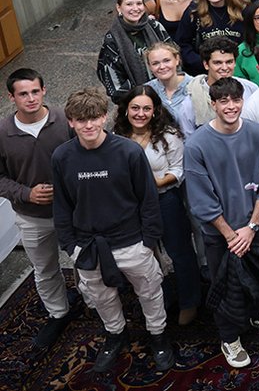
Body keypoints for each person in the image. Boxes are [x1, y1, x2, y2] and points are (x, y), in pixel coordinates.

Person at [53, 88, 174, 374]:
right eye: (81, 120)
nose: (89, 125)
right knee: (101, 297)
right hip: (88, 245)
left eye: (94, 117)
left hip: (133, 242)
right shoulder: (61, 157)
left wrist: (149, 242)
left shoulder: (129, 151)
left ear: (105, 117)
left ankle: (158, 335)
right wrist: (71, 246)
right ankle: (115, 334)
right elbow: (62, 205)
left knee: (150, 291)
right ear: (71, 122)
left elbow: (148, 199)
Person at [183, 78, 259, 368]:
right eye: (223, 101)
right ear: (213, 105)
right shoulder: (197, 145)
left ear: (243, 101)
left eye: (235, 100)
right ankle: (229, 338)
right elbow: (202, 202)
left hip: (254, 228)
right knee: (224, 286)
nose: (231, 106)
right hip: (220, 236)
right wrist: (232, 236)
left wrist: (251, 227)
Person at [114, 87, 202, 324]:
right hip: (130, 205)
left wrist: (157, 182)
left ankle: (189, 301)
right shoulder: (116, 135)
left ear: (155, 111)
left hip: (165, 200)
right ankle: (158, 298)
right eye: (135, 108)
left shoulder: (169, 135)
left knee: (179, 251)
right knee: (143, 253)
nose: (140, 113)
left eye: (146, 108)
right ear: (126, 110)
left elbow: (179, 168)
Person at [1, 69, 75, 349]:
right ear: (11, 97)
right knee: (44, 269)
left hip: (73, 213)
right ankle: (58, 313)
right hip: (31, 218)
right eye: (23, 94)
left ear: (44, 90)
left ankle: (96, 306)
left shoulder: (64, 120)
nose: (30, 98)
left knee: (87, 263)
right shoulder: (2, 133)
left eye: (35, 91)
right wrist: (26, 193)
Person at [96, 0, 171, 99]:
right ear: (119, 7)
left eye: (139, 3)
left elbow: (173, 54)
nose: (135, 8)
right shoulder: (112, 40)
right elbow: (113, 82)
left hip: (168, 93)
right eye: (129, 4)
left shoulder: (154, 26)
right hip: (136, 102)